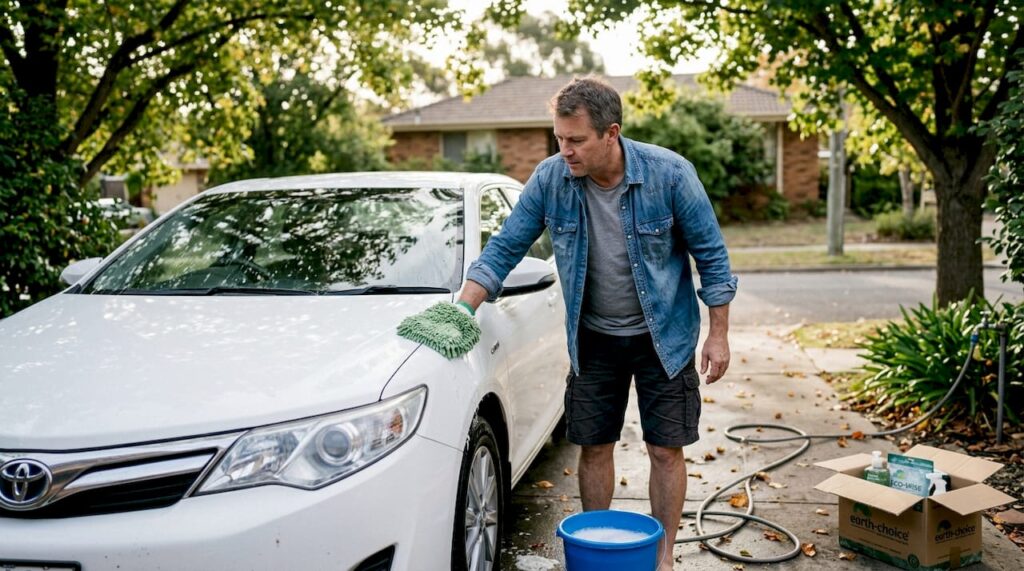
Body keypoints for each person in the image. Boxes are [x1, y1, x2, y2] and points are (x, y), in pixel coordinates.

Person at [456, 76, 736, 570]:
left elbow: (712, 257)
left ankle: (664, 558)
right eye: (559, 138)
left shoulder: (670, 174)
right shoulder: (551, 179)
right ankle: (598, 549)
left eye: (576, 140)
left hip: (664, 339)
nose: (564, 150)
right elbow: (504, 248)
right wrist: (460, 310)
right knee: (594, 446)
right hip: (594, 340)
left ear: (611, 133)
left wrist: (718, 334)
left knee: (665, 450)